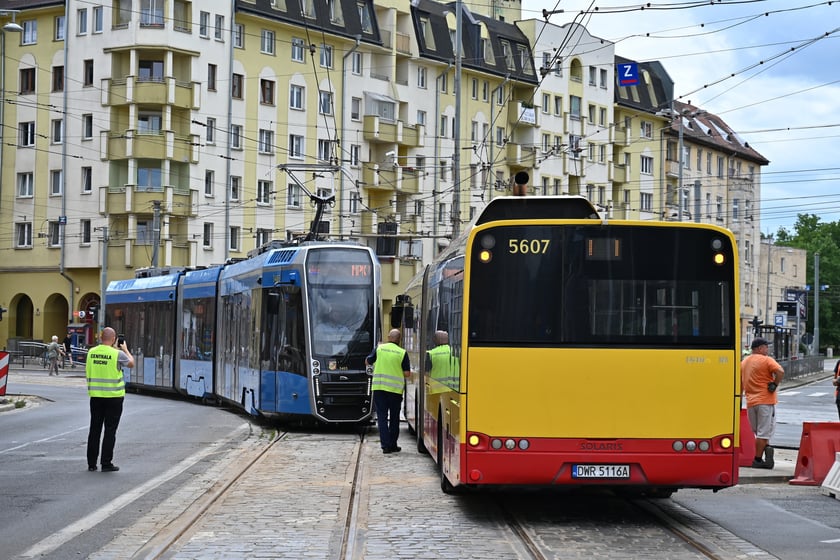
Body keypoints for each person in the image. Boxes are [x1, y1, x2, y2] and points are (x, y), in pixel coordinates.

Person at [86, 327, 134, 472]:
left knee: (94, 429)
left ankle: (91, 464)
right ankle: (106, 463)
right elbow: (131, 364)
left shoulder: (91, 352)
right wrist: (125, 349)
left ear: (101, 338)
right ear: (113, 339)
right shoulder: (117, 354)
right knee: (110, 430)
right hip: (114, 398)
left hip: (96, 397)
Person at [741, 337, 785, 469]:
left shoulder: (744, 362)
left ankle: (767, 450)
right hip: (765, 400)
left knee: (758, 431)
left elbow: (740, 381)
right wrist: (774, 384)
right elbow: (780, 372)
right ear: (760, 348)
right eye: (766, 347)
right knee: (763, 432)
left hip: (750, 402)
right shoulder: (766, 360)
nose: (768, 349)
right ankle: (758, 460)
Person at [366, 328, 410, 454]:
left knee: (382, 417)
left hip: (379, 388)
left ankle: (385, 446)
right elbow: (407, 373)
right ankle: (393, 444)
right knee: (395, 418)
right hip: (395, 390)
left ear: (389, 337)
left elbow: (367, 361)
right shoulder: (402, 352)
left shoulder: (379, 348)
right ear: (399, 339)